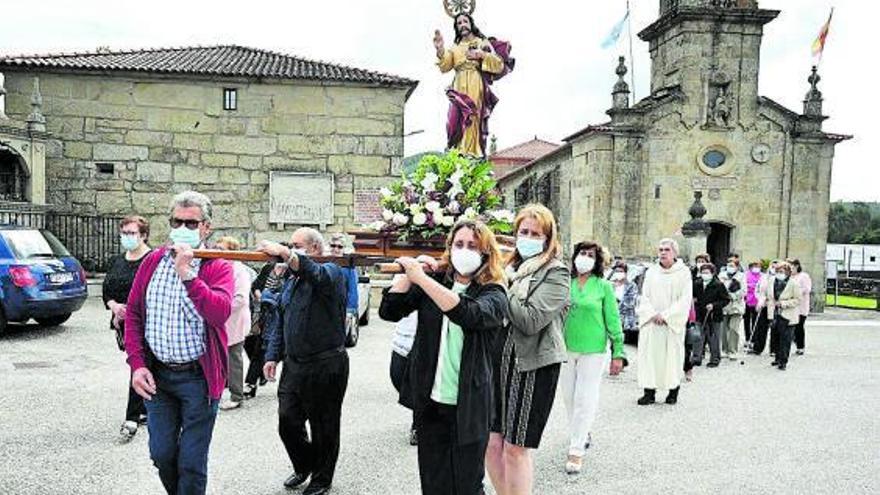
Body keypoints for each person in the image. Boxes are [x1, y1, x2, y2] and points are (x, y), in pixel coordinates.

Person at [379, 220, 508, 495]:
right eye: (459, 244)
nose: (465, 250)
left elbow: (468, 314)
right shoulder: (435, 281)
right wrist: (411, 272)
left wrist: (422, 279)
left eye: (472, 246)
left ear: (486, 253)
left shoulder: (494, 292)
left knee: (467, 486)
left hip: (469, 405)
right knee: (433, 483)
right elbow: (389, 310)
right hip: (431, 402)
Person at [124, 191, 234, 495]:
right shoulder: (153, 261)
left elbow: (219, 313)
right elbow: (134, 314)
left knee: (192, 461)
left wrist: (186, 273)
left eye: (191, 223)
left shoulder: (217, 266)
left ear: (206, 228)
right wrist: (137, 365)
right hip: (158, 376)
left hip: (198, 378)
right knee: (161, 454)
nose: (182, 228)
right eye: (176, 222)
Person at [486, 204, 569, 495]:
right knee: (491, 443)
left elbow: (531, 320)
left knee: (515, 448)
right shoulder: (507, 267)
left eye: (536, 234)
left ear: (548, 238)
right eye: (524, 232)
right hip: (497, 362)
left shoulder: (556, 273)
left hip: (532, 366)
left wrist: (501, 285)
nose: (529, 238)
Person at [259, 229, 349, 495]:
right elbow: (282, 319)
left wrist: (285, 253)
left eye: (297, 246)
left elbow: (316, 274)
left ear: (315, 249)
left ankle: (322, 479)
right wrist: (272, 355)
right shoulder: (291, 280)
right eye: (290, 245)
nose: (291, 249)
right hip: (295, 364)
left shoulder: (332, 271)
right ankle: (305, 465)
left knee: (324, 426)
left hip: (326, 364)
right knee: (287, 421)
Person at [561, 241, 625, 474]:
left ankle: (576, 449)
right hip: (565, 347)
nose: (585, 257)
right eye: (582, 253)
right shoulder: (565, 283)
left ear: (597, 260)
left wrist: (618, 351)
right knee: (569, 397)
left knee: (584, 398)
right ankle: (581, 431)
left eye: (590, 254)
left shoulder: (603, 286)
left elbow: (613, 319)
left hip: (593, 349)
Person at [433, 13, 512, 158]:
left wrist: (481, 55)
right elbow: (445, 66)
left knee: (473, 115)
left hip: (475, 83)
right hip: (458, 85)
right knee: (453, 120)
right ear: (456, 27)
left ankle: (471, 153)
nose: (462, 25)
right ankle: (457, 150)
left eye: (465, 21)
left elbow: (499, 65)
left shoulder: (482, 42)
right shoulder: (455, 48)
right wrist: (440, 50)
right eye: (459, 23)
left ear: (471, 24)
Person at [103, 215, 152, 442]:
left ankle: (131, 418)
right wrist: (114, 306)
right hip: (123, 323)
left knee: (138, 364)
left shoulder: (152, 259)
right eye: (124, 233)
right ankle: (145, 408)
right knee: (141, 364)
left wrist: (131, 310)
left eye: (132, 233)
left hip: (146, 321)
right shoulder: (117, 261)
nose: (127, 237)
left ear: (143, 235)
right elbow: (107, 290)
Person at [635, 239, 693, 405]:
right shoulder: (651, 272)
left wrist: (666, 316)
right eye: (660, 249)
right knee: (650, 358)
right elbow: (644, 296)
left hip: (671, 325)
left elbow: (685, 299)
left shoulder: (683, 273)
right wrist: (653, 314)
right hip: (652, 323)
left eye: (667, 249)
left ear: (675, 253)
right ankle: (649, 392)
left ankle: (672, 391)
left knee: (672, 357)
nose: (663, 252)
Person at [214, 236, 252, 411]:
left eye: (222, 249)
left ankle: (237, 395)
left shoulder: (239, 271)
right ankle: (219, 390)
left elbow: (240, 299)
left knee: (233, 358)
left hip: (234, 320)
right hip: (220, 320)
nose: (218, 252)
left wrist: (218, 307)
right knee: (219, 358)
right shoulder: (219, 267)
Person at [246, 259, 289, 398]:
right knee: (258, 349)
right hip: (264, 315)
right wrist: (260, 295)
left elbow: (284, 296)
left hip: (282, 316)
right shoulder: (268, 268)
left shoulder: (290, 271)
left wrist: (266, 295)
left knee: (283, 351)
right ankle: (250, 383)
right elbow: (256, 286)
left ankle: (286, 387)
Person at [389, 311, 420, 446]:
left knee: (423, 384)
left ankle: (419, 423)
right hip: (405, 335)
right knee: (397, 376)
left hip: (429, 336)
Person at [692, 263, 730, 368]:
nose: (704, 274)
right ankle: (696, 358)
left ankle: (715, 359)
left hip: (714, 315)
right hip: (699, 314)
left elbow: (725, 300)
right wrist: (693, 300)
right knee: (698, 336)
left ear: (712, 273)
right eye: (703, 272)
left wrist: (714, 305)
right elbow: (692, 296)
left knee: (713, 338)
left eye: (707, 272)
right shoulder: (697, 283)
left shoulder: (718, 284)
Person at [766, 262, 802, 370]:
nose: (779, 273)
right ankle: (777, 358)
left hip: (788, 315)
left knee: (785, 340)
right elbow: (770, 297)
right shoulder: (772, 281)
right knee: (776, 337)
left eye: (781, 271)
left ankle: (783, 361)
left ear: (787, 272)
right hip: (775, 314)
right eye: (777, 271)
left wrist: (784, 303)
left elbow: (798, 299)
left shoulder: (793, 283)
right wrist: (770, 313)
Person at [329, 233, 359, 343]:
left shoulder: (349, 266)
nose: (336, 249)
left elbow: (352, 289)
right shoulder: (322, 262)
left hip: (340, 309)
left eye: (339, 246)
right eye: (333, 246)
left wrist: (350, 311)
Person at [719, 257, 745, 360]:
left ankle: (733, 350)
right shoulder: (722, 275)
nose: (730, 267)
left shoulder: (741, 276)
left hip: (736, 306)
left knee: (734, 329)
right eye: (728, 265)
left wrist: (733, 295)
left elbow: (744, 291)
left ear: (737, 267)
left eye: (732, 265)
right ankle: (724, 349)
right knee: (723, 329)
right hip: (724, 305)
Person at [751, 260, 778, 355]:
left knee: (774, 328)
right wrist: (760, 300)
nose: (774, 269)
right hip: (763, 305)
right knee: (761, 327)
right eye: (772, 266)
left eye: (776, 267)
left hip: (774, 306)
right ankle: (758, 348)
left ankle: (774, 349)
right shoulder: (763, 277)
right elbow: (757, 290)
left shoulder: (779, 278)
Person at [610, 262, 639, 346]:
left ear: (625, 273)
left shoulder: (631, 286)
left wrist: (616, 303)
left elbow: (630, 303)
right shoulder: (610, 285)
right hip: (611, 320)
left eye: (621, 271)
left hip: (625, 322)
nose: (618, 273)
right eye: (617, 271)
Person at [787, 258, 812, 355]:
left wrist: (795, 293)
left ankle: (800, 346)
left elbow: (807, 289)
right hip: (791, 305)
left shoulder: (803, 276)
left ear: (796, 266)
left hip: (801, 306)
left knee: (799, 326)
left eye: (791, 266)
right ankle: (792, 342)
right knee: (790, 326)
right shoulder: (789, 277)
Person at [743, 260, 763, 344]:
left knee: (755, 321)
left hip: (757, 301)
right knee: (746, 321)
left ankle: (754, 338)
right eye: (755, 266)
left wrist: (751, 286)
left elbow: (761, 287)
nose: (756, 268)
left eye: (758, 267)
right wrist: (753, 286)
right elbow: (744, 285)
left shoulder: (762, 276)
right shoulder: (746, 275)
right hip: (747, 300)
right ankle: (747, 338)